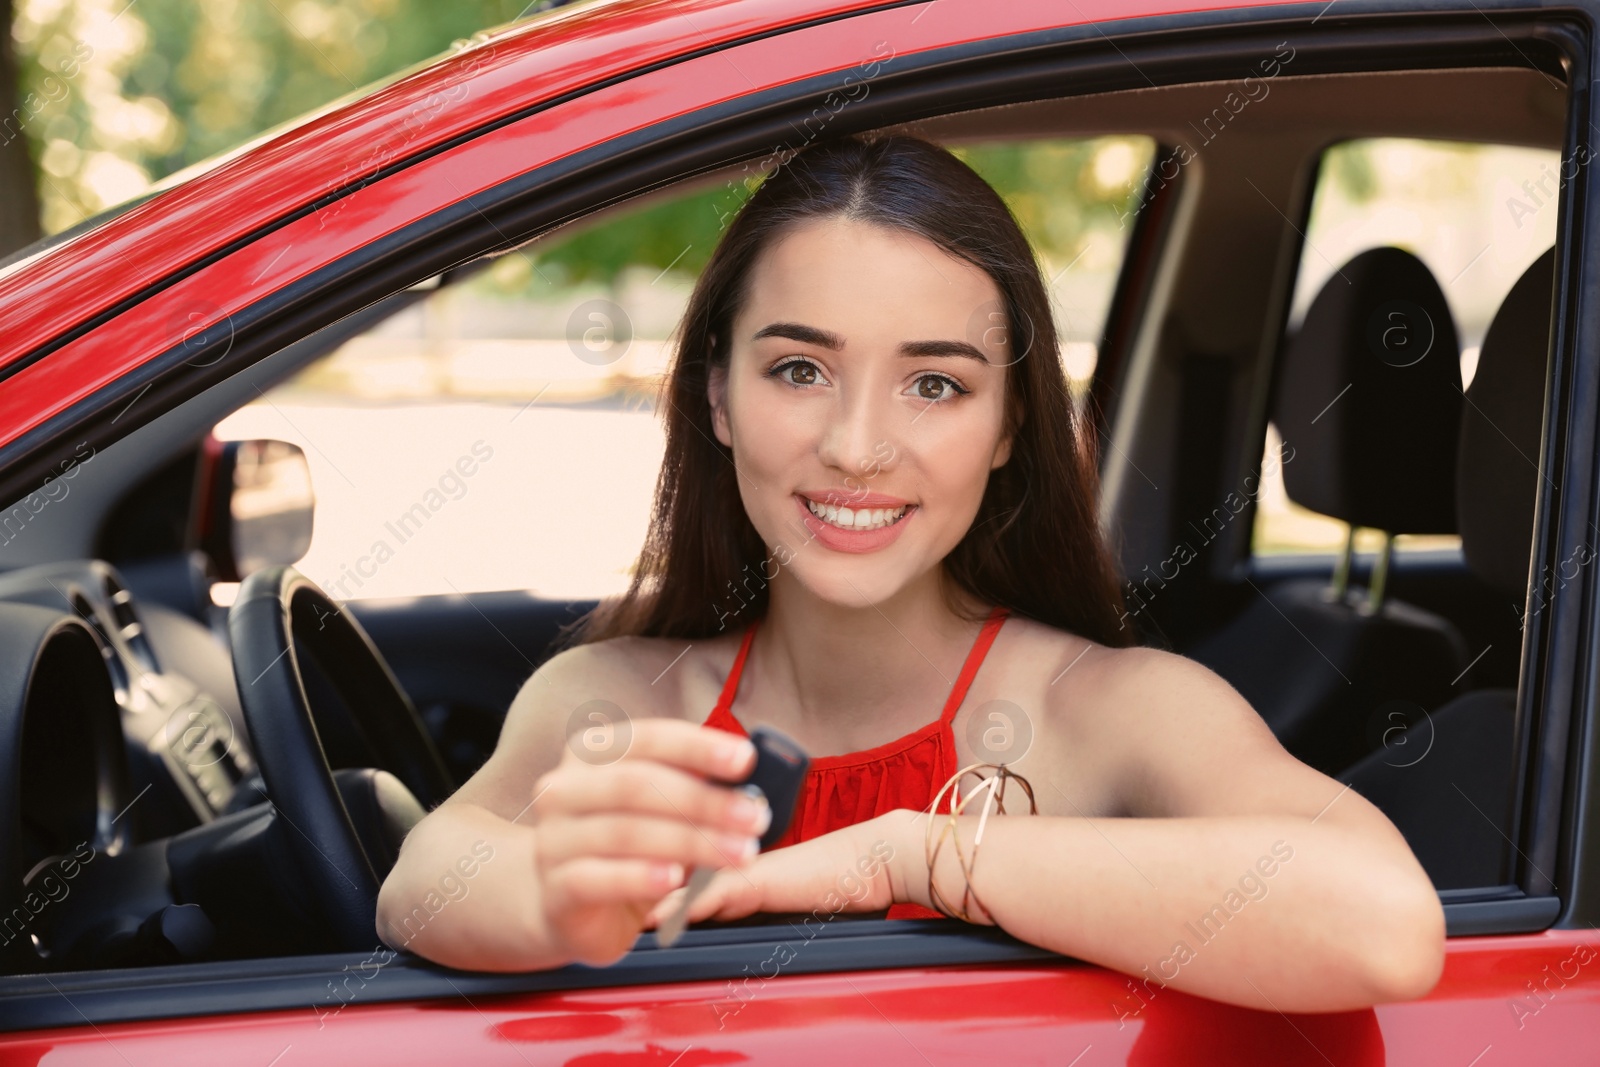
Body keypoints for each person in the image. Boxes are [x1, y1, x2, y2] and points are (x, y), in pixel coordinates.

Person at [376, 133, 1445, 1012]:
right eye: (799, 369)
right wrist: (556, 896)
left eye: (933, 384)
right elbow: (425, 881)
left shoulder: (1111, 710)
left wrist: (911, 859)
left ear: (1005, 426)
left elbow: (1380, 921)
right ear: (716, 396)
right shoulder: (613, 697)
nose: (855, 445)